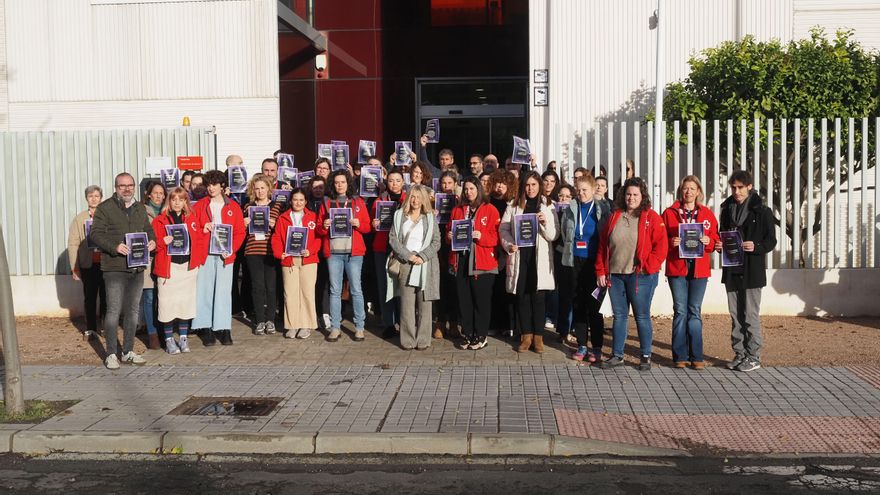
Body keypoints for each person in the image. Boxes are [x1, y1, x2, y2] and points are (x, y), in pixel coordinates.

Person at [596, 177, 667, 371]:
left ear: (642, 196)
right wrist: (601, 270)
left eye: (636, 194)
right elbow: (603, 246)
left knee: (641, 316)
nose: (631, 198)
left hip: (640, 276)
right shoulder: (615, 216)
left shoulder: (651, 217)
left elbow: (661, 247)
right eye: (628, 194)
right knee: (619, 316)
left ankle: (645, 355)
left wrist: (648, 267)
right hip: (616, 275)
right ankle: (617, 355)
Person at [90, 172, 156, 369]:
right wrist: (115, 247)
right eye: (122, 186)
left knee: (133, 311)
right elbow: (96, 234)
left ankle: (127, 351)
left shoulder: (139, 208)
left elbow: (148, 230)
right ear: (116, 188)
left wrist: (152, 241)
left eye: (130, 185)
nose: (127, 189)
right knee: (113, 311)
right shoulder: (105, 208)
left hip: (137, 267)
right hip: (114, 268)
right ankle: (111, 353)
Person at [718, 170, 776, 372]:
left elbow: (771, 240)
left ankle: (754, 356)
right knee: (735, 316)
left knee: (750, 315)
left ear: (749, 187)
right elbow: (722, 235)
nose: (736, 191)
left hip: (752, 270)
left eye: (740, 187)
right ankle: (740, 353)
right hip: (732, 269)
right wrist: (720, 245)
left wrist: (757, 246)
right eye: (733, 187)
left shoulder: (763, 211)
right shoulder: (726, 209)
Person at [662, 176, 720, 370]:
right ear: (681, 191)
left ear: (698, 192)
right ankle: (680, 356)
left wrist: (709, 242)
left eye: (692, 189)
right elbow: (660, 240)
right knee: (680, 311)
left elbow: (715, 239)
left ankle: (696, 355)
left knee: (694, 311)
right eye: (685, 188)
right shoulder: (669, 213)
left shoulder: (707, 214)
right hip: (677, 267)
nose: (688, 192)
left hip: (699, 269)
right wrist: (671, 242)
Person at [499, 171, 558, 353]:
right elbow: (503, 228)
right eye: (527, 185)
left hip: (539, 258)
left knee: (538, 299)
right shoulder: (513, 205)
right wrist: (509, 244)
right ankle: (526, 336)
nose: (530, 188)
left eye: (534, 185)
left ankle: (538, 338)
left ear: (539, 185)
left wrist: (544, 223)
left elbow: (554, 235)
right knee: (522, 297)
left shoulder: (548, 205)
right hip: (520, 256)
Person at [191, 170, 246, 346]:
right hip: (205, 254)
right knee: (204, 290)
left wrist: (231, 249)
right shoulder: (199, 206)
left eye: (214, 184)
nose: (211, 188)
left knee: (223, 291)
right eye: (208, 185)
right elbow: (192, 229)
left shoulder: (233, 206)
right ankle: (204, 326)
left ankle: (223, 327)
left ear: (222, 186)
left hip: (225, 256)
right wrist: (203, 229)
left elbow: (240, 232)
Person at [558, 176, 610, 362]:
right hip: (575, 261)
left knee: (594, 306)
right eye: (578, 190)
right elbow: (564, 232)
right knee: (578, 303)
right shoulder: (571, 209)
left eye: (585, 190)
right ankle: (581, 345)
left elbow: (606, 236)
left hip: (594, 262)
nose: (581, 193)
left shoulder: (602, 209)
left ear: (594, 189)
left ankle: (596, 347)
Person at [316, 170, 372, 342]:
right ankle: (335, 327)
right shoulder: (326, 203)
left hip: (354, 253)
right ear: (332, 184)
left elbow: (367, 227)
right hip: (334, 253)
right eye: (336, 182)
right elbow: (318, 229)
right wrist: (324, 225)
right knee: (335, 290)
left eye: (343, 182)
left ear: (348, 183)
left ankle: (359, 327)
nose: (339, 185)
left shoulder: (358, 202)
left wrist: (359, 224)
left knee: (356, 289)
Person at [447, 177, 500, 350]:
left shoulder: (490, 209)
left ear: (478, 189)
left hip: (482, 261)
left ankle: (481, 335)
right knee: (464, 300)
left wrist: (481, 236)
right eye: (466, 189)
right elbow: (449, 230)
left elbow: (496, 237)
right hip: (461, 260)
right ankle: (468, 334)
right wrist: (449, 236)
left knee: (481, 301)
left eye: (472, 188)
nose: (468, 192)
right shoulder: (457, 210)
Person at [387, 185, 441, 350]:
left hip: (425, 265)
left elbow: (436, 242)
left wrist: (422, 256)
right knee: (407, 305)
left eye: (419, 197)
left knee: (425, 304)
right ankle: (408, 340)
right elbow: (393, 239)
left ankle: (423, 340)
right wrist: (408, 255)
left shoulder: (430, 218)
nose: (415, 201)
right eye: (412, 197)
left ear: (424, 199)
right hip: (406, 263)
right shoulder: (399, 216)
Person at [151, 187, 201, 354]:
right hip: (168, 269)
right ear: (169, 201)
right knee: (167, 306)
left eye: (181, 199)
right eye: (174, 199)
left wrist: (198, 259)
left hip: (187, 269)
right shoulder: (159, 221)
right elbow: (152, 246)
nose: (177, 203)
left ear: (186, 201)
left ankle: (183, 338)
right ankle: (169, 340)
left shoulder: (192, 219)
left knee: (185, 305)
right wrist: (162, 242)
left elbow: (200, 241)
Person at [272, 188, 322, 339]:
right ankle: (292, 325)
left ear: (306, 201)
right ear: (290, 201)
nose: (298, 203)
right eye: (295, 199)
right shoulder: (283, 218)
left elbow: (319, 238)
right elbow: (276, 237)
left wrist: (310, 251)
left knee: (307, 293)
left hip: (308, 260)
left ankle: (306, 325)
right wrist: (279, 253)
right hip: (289, 260)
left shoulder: (313, 217)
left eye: (301, 200)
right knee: (290, 293)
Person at [242, 174, 283, 335]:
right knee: (257, 287)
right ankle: (259, 320)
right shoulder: (248, 207)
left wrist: (275, 224)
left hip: (270, 251)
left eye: (263, 188)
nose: (260, 191)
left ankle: (270, 320)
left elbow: (283, 229)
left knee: (271, 287)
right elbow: (240, 231)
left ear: (269, 189)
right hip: (253, 250)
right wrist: (244, 223)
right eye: (257, 188)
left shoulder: (277, 206)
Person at [67, 185, 107, 339]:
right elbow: (73, 243)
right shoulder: (79, 219)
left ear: (101, 198)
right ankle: (91, 328)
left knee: (106, 297)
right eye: (91, 196)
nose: (94, 199)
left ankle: (105, 327)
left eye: (96, 196)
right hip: (88, 264)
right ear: (86, 199)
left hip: (106, 263)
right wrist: (74, 266)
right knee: (90, 297)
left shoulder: (107, 216)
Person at [371, 169, 406, 338]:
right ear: (387, 182)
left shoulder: (408, 199)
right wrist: (374, 223)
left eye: (398, 180)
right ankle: (389, 323)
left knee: (402, 286)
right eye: (391, 180)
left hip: (402, 249)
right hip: (382, 248)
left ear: (403, 182)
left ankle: (403, 322)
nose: (394, 184)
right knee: (385, 286)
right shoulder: (379, 201)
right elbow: (371, 224)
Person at [487, 169, 518, 338]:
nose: (500, 186)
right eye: (497, 183)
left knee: (509, 289)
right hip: (493, 249)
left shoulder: (513, 204)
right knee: (495, 288)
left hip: (509, 249)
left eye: (504, 183)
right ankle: (494, 324)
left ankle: (509, 324)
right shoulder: (488, 202)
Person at [434, 170, 460, 340]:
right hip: (439, 247)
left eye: (450, 183)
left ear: (455, 184)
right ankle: (441, 322)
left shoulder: (460, 202)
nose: (446, 186)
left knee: (454, 287)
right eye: (444, 183)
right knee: (440, 285)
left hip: (454, 247)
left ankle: (455, 323)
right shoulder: (434, 202)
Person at [547, 184, 574, 340]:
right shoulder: (552, 211)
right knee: (560, 292)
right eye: (561, 196)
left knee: (570, 293)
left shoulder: (574, 212)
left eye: (567, 196)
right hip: (557, 254)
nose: (563, 199)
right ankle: (562, 330)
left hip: (572, 256)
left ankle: (570, 328)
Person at [141, 181, 166, 349]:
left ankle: (164, 331)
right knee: (149, 297)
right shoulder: (141, 211)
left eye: (161, 193)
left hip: (163, 258)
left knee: (163, 297)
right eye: (155, 192)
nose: (158, 196)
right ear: (149, 194)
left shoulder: (168, 211)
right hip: (148, 259)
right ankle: (152, 334)